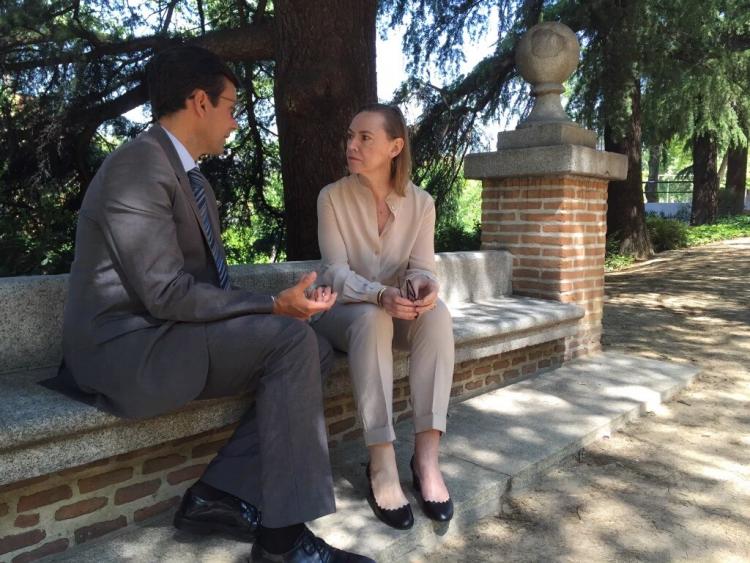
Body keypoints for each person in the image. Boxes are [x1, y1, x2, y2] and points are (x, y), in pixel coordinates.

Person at [56, 45, 373, 563]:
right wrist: (273, 307)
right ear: (199, 101)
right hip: (124, 350)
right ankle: (283, 542)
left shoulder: (188, 176)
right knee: (292, 340)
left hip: (164, 334)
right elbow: (165, 293)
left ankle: (219, 494)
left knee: (310, 346)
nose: (234, 121)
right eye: (230, 106)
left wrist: (281, 309)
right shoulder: (138, 166)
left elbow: (201, 290)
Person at [312, 104, 455, 530]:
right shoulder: (332, 197)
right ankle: (381, 462)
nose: (351, 145)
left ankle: (426, 461)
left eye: (364, 138)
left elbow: (422, 267)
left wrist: (425, 287)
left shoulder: (422, 203)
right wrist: (379, 294)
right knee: (373, 319)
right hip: (342, 313)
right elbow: (334, 274)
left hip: (395, 309)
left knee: (438, 316)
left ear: (395, 147)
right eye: (350, 136)